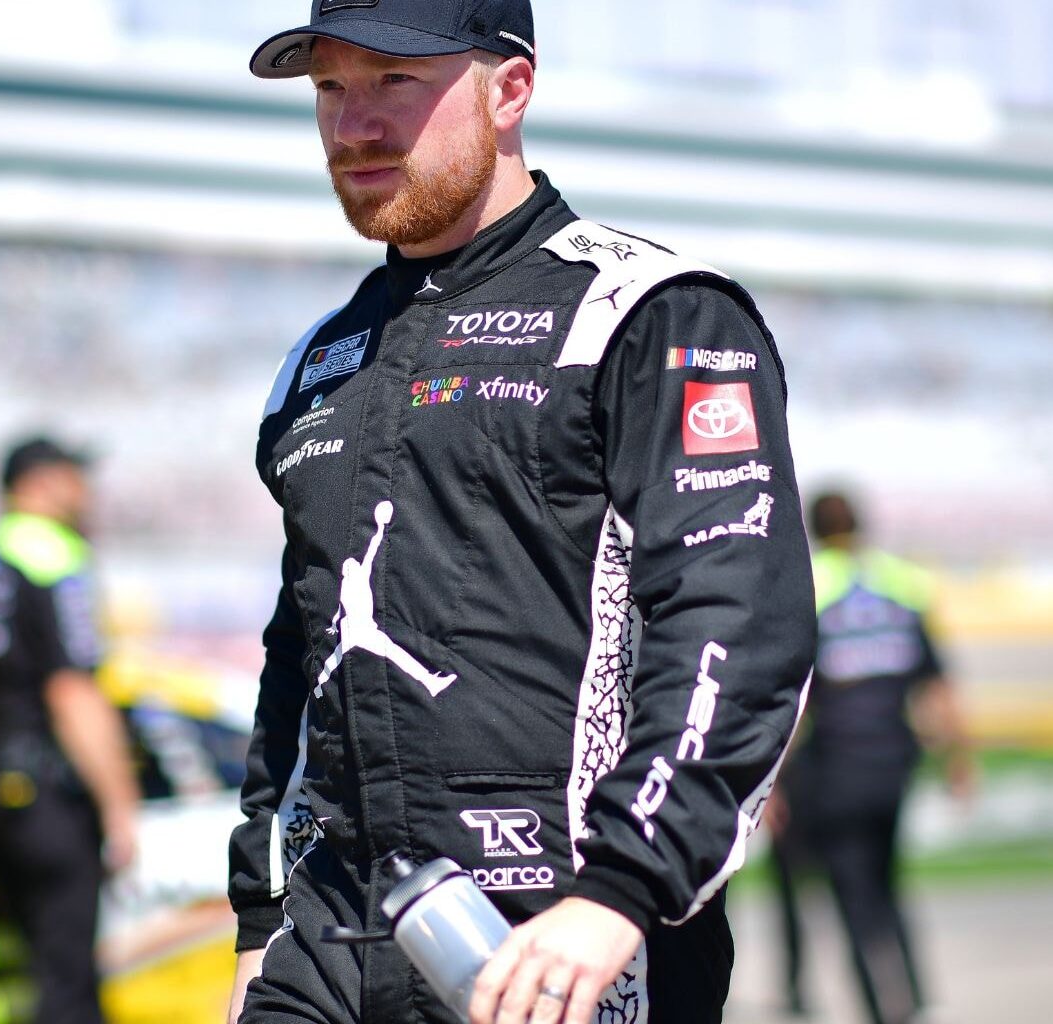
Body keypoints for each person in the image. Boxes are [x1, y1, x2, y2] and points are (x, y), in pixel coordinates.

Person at [227, 3, 819, 1023]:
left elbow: (737, 622)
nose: (352, 125)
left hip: (559, 939)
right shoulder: (321, 362)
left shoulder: (649, 311)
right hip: (326, 945)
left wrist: (622, 889)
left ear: (510, 90)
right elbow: (301, 662)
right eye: (331, 88)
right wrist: (258, 918)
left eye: (395, 83)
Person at [0, 436, 140, 1024]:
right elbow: (73, 691)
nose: (86, 493)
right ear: (41, 482)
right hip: (47, 802)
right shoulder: (55, 557)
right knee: (68, 985)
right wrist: (120, 809)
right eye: (76, 477)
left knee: (12, 982)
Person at [768, 490, 974, 1024]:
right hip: (895, 764)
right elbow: (937, 683)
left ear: (813, 528)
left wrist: (770, 782)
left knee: (852, 896)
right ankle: (921, 1001)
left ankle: (881, 1011)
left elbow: (794, 701)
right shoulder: (903, 583)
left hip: (835, 770)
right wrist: (959, 759)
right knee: (889, 884)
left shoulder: (809, 585)